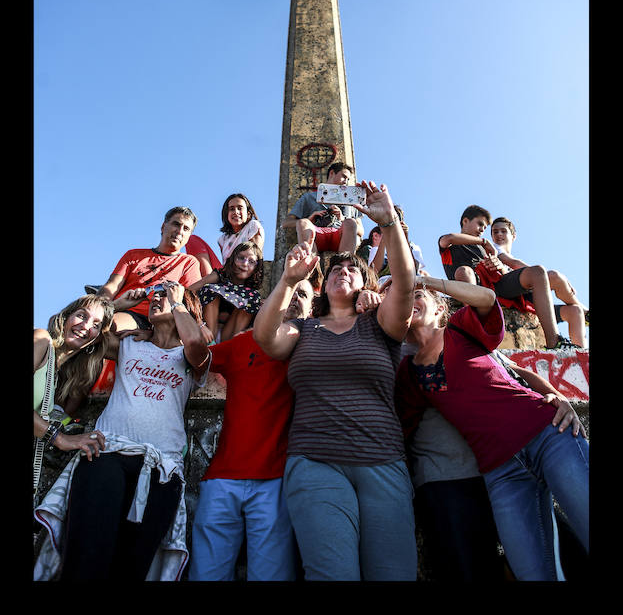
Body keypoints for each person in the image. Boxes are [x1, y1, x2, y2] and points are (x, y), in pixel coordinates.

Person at [254, 181, 419, 582]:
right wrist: (289, 280)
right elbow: (265, 338)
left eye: (352, 269)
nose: (343, 271)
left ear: (365, 284)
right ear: (324, 284)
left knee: (394, 573)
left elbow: (407, 283)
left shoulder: (382, 325)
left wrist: (390, 222)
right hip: (315, 461)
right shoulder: (303, 328)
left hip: (383, 460)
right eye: (336, 269)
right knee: (331, 574)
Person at [394, 273, 589, 582]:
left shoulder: (460, 326)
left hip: (547, 435)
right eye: (406, 298)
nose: (412, 301)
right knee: (533, 572)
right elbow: (399, 426)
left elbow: (487, 300)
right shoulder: (408, 371)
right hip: (501, 473)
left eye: (420, 297)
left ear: (439, 308)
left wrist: (557, 394)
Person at [34, 280, 212, 582]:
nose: (158, 300)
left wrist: (179, 301)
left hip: (162, 469)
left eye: (165, 296)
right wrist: (118, 307)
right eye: (156, 296)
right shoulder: (130, 344)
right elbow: (87, 333)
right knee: (86, 558)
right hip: (106, 452)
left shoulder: (190, 357)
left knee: (132, 567)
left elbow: (196, 344)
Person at [188, 276, 315, 582]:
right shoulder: (243, 342)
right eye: (291, 291)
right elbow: (199, 360)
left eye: (304, 295)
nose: (295, 297)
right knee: (207, 575)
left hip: (275, 481)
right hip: (221, 477)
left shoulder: (312, 347)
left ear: (312, 311)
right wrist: (188, 325)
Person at [438, 205, 575, 349]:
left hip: (497, 284)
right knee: (464, 271)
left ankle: (555, 341)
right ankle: (476, 328)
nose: (482, 230)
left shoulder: (486, 249)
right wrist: (483, 241)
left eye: (485, 228)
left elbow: (503, 271)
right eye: (480, 224)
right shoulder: (452, 245)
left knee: (538, 272)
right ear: (465, 221)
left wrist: (499, 265)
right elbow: (448, 238)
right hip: (475, 288)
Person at [34, 295, 115, 500]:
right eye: (81, 315)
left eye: (96, 324)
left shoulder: (57, 376)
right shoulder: (41, 340)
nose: (86, 326)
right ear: (65, 318)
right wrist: (59, 438)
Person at [97, 206, 202, 332]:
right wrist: (97, 310)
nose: (180, 231)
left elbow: (190, 301)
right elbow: (111, 286)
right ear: (163, 227)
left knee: (110, 326)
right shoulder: (133, 255)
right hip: (119, 308)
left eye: (186, 229)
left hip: (152, 319)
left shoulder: (188, 263)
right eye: (176, 224)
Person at [491, 216, 588, 347]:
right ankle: (585, 313)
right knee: (554, 276)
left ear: (513, 236)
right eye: (495, 232)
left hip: (529, 296)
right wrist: (545, 277)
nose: (499, 234)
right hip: (512, 292)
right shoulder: (494, 248)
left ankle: (581, 354)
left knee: (575, 311)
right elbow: (513, 263)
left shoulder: (508, 253)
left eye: (503, 231)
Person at [282, 161, 363, 255]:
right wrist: (309, 220)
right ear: (332, 173)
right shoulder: (309, 197)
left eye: (348, 179)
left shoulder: (351, 201)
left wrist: (343, 220)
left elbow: (361, 230)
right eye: (344, 177)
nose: (346, 182)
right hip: (316, 234)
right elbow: (286, 223)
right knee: (302, 222)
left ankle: (344, 264)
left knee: (350, 223)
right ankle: (310, 263)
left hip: (340, 235)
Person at [190, 241, 264, 343]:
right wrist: (199, 323)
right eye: (241, 258)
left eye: (251, 261)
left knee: (252, 298)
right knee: (210, 289)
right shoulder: (219, 276)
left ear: (256, 268)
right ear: (232, 260)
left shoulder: (251, 294)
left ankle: (231, 346)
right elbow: (190, 291)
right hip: (207, 332)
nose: (245, 264)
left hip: (229, 335)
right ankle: (211, 344)